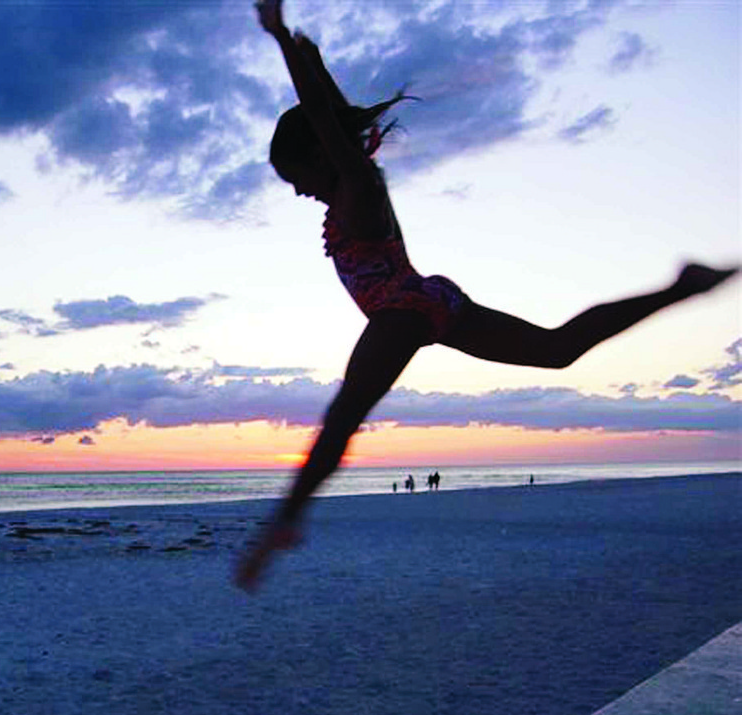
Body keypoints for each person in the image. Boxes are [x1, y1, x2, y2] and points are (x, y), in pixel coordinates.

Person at [235, 0, 737, 591]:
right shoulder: (355, 175)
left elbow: (323, 117)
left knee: (343, 417)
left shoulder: (358, 186)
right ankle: (682, 287)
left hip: (402, 309)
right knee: (557, 349)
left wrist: (279, 40)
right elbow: (332, 116)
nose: (297, 193)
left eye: (296, 180)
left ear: (320, 158)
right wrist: (306, 57)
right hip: (432, 299)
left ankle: (283, 524)